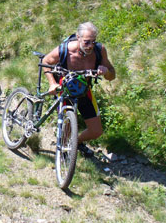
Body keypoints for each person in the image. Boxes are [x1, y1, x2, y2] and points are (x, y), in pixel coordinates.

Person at [42, 22, 115, 157]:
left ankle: (75, 142)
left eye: (93, 42)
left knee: (96, 131)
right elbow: (46, 61)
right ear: (78, 37)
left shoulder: (99, 51)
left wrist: (106, 72)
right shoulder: (65, 50)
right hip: (65, 89)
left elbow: (112, 75)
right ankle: (63, 149)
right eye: (87, 42)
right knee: (68, 123)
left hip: (84, 90)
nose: (90, 46)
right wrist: (52, 83)